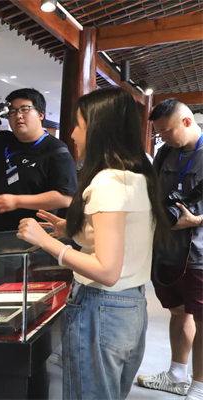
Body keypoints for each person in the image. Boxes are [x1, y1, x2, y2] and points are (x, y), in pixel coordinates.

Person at [16, 87, 169, 400]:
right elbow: (123, 237)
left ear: (100, 130)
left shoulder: (108, 183)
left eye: (79, 125)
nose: (73, 134)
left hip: (101, 307)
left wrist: (47, 242)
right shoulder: (137, 176)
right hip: (131, 306)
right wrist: (73, 230)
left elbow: (106, 270)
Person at [137, 99, 203, 400]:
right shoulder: (165, 152)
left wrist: (198, 219)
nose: (163, 137)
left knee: (201, 318)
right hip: (166, 251)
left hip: (198, 253)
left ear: (187, 122)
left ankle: (198, 388)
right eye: (159, 133)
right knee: (178, 312)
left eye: (167, 131)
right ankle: (177, 375)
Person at [0, 88, 78, 233]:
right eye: (13, 112)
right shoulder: (2, 140)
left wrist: (17, 201)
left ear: (41, 114)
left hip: (32, 234)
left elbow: (65, 198)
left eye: (25, 109)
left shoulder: (56, 150)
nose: (18, 115)